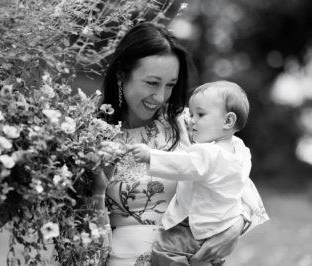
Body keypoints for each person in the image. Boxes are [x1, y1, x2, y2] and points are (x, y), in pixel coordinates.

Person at [91, 22, 269, 266]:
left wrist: (234, 228)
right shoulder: (92, 135)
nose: (161, 96)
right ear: (122, 74)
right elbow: (81, 229)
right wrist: (97, 193)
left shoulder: (189, 124)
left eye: (171, 85)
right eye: (152, 83)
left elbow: (239, 183)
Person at [127, 81, 256, 266]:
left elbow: (182, 164)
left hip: (192, 226)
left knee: (165, 251)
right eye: (192, 113)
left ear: (228, 121)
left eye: (200, 114)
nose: (192, 119)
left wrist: (150, 156)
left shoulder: (208, 153)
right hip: (219, 226)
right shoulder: (240, 150)